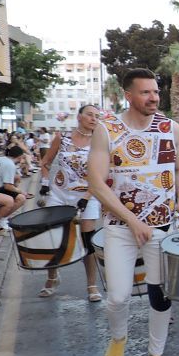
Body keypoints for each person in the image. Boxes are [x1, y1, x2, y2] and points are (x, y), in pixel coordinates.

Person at [87, 68, 179, 356]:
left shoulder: (170, 128)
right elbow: (95, 182)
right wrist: (132, 220)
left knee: (160, 295)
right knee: (118, 296)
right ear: (128, 95)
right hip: (120, 226)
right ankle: (118, 339)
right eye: (145, 92)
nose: (153, 97)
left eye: (155, 92)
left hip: (162, 227)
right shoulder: (107, 130)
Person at [37, 105, 102, 301]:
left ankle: (92, 285)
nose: (93, 119)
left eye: (97, 116)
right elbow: (45, 163)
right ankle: (52, 277)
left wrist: (87, 197)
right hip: (59, 194)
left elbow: (101, 174)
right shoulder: (62, 137)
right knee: (54, 237)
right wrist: (45, 185)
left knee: (87, 240)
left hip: (88, 194)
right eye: (90, 114)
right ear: (79, 116)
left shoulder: (101, 142)